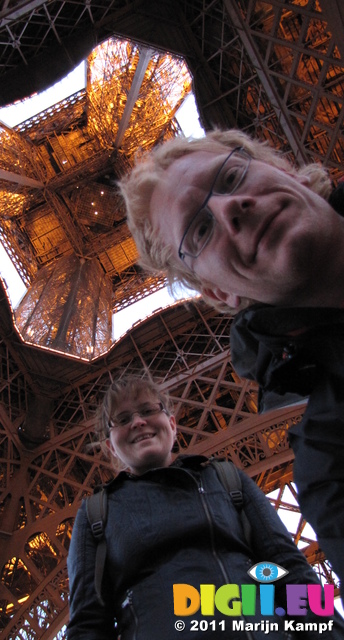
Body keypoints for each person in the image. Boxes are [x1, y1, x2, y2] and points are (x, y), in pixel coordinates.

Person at [119, 129, 344, 591]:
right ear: (218, 292)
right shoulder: (332, 464)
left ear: (284, 170)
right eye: (200, 229)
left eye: (231, 177)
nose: (229, 208)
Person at [67, 374, 344, 639]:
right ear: (110, 447)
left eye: (148, 410)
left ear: (173, 424)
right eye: (123, 419)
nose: (138, 422)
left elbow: (289, 571)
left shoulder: (227, 479)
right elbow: (88, 623)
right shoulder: (95, 514)